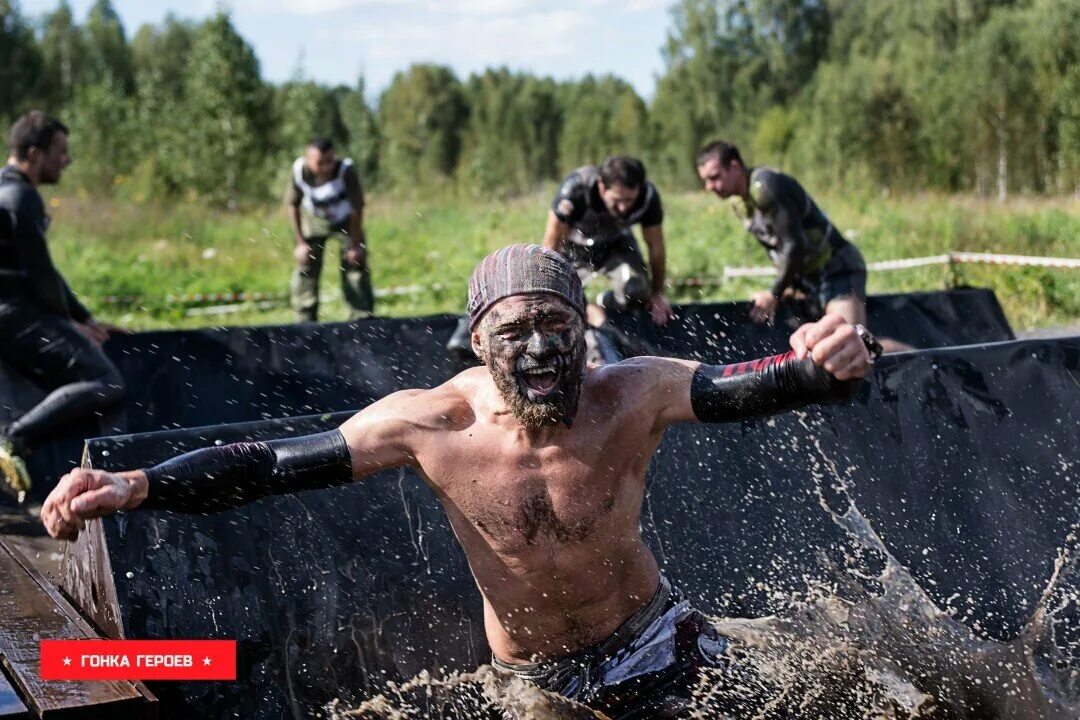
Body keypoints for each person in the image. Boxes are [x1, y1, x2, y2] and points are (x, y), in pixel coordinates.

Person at [42, 244, 877, 718]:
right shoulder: (428, 424)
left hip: (658, 642)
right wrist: (141, 484)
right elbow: (272, 464)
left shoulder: (636, 393)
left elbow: (749, 387)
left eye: (559, 326)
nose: (543, 351)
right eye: (517, 332)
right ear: (479, 343)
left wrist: (825, 362)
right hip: (534, 679)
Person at [0, 111, 125, 504]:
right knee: (106, 381)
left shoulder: (5, 191)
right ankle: (14, 438)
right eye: (61, 152)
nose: (67, 161)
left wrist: (82, 318)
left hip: (11, 309)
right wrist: (73, 326)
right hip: (11, 314)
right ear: (34, 154)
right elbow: (40, 279)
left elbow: (46, 274)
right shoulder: (21, 197)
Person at [446, 156, 674, 359]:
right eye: (617, 200)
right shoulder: (576, 189)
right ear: (602, 187)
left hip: (617, 246)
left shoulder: (648, 197)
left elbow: (656, 248)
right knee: (568, 303)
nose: (624, 208)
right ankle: (588, 305)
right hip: (575, 247)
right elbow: (551, 246)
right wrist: (550, 294)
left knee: (636, 290)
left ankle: (603, 301)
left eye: (630, 201)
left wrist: (658, 293)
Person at [695, 140, 869, 327]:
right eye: (705, 180)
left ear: (735, 166)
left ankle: (902, 352)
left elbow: (793, 245)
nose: (709, 187)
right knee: (813, 349)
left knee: (848, 346)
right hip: (806, 281)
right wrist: (784, 290)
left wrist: (774, 293)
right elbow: (776, 250)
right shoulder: (740, 204)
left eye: (714, 177)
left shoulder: (765, 186)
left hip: (836, 270)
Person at [285, 137, 373, 323]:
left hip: (347, 220)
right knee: (306, 262)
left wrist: (356, 245)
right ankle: (304, 320)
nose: (326, 167)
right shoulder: (300, 171)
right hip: (315, 219)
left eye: (330, 161)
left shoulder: (346, 171)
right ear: (308, 159)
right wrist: (300, 243)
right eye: (320, 163)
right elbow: (292, 205)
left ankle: (361, 318)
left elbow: (358, 208)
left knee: (355, 263)